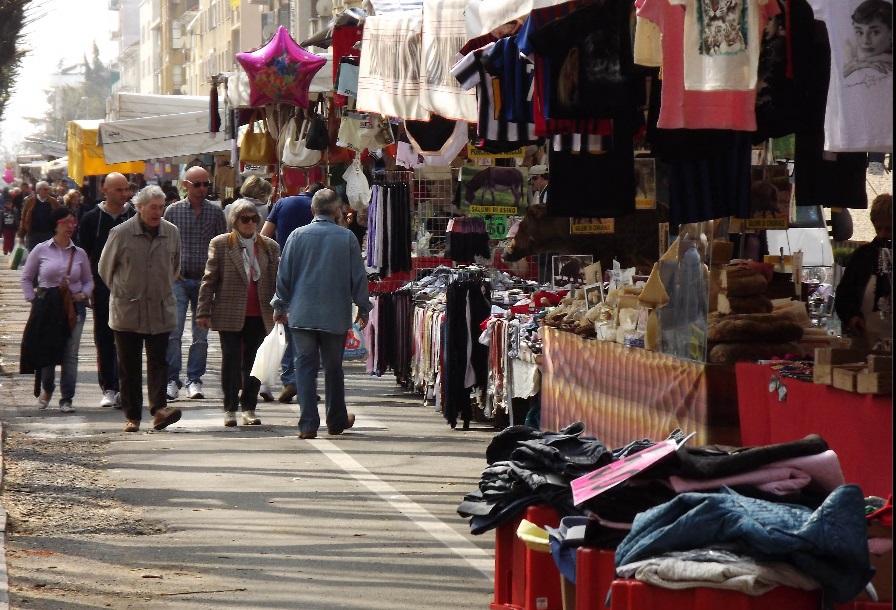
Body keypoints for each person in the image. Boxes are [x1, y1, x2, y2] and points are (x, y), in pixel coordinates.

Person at [272, 188, 372, 440]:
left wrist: (280, 306)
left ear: (312, 209)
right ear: (337, 211)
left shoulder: (296, 236)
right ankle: (336, 420)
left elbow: (284, 275)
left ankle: (308, 424)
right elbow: (358, 277)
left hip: (302, 313)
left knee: (304, 368)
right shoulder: (347, 237)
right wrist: (363, 307)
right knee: (333, 368)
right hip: (334, 315)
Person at [99, 185, 183, 433]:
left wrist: (159, 288)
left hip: (160, 308)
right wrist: (124, 290)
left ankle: (159, 410)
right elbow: (105, 269)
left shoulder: (171, 232)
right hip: (128, 310)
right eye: (153, 207)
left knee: (158, 363)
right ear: (139, 207)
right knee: (129, 367)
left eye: (161, 207)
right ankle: (132, 416)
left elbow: (175, 267)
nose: (158, 212)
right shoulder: (121, 233)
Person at [197, 200, 280, 426]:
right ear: (234, 221)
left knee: (255, 362)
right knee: (231, 360)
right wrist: (203, 311)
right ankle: (230, 408)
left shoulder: (269, 246)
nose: (250, 223)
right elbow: (209, 279)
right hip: (229, 312)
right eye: (245, 219)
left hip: (260, 313)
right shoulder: (221, 244)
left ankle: (249, 408)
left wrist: (281, 309)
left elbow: (277, 281)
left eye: (254, 219)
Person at [163, 166, 228, 401]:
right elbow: (163, 243)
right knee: (174, 332)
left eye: (206, 184)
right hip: (179, 280)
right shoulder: (173, 211)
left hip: (205, 281)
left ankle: (194, 379)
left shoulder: (215, 212)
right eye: (198, 184)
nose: (203, 189)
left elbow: (223, 246)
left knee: (200, 336)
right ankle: (172, 379)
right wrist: (172, 269)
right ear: (186, 186)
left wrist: (217, 277)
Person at [19, 207, 93, 412]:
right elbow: (26, 278)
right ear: (56, 224)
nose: (70, 226)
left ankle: (67, 398)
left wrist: (83, 295)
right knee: (48, 349)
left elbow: (88, 280)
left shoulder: (79, 253)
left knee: (70, 353)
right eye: (65, 222)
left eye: (73, 222)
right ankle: (47, 388)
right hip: (48, 308)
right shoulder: (41, 250)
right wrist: (33, 299)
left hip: (73, 308)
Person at [261, 181, 326, 403]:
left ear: (305, 188)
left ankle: (290, 379)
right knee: (311, 330)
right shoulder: (323, 209)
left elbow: (265, 236)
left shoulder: (283, 203)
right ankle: (306, 383)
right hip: (315, 275)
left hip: (285, 270)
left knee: (288, 327)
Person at [79, 172, 137, 408]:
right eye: (118, 190)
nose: (124, 194)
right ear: (105, 190)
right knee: (104, 337)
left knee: (129, 339)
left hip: (131, 288)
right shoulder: (91, 219)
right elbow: (83, 255)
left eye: (126, 189)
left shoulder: (134, 216)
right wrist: (87, 287)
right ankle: (109, 387)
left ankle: (125, 387)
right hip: (102, 288)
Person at [835, 193, 893, 350]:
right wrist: (852, 317)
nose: (883, 234)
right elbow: (844, 295)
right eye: (878, 228)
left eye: (889, 229)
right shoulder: (863, 256)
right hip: (865, 342)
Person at [843, 0, 893, 78]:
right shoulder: (850, 49)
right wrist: (852, 68)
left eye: (875, 32)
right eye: (859, 32)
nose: (866, 41)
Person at [17, 181, 60, 250]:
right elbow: (23, 218)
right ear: (39, 190)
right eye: (45, 189)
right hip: (33, 235)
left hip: (48, 234)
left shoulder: (53, 202)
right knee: (33, 255)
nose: (47, 191)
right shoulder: (30, 201)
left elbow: (58, 218)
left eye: (48, 189)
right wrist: (21, 236)